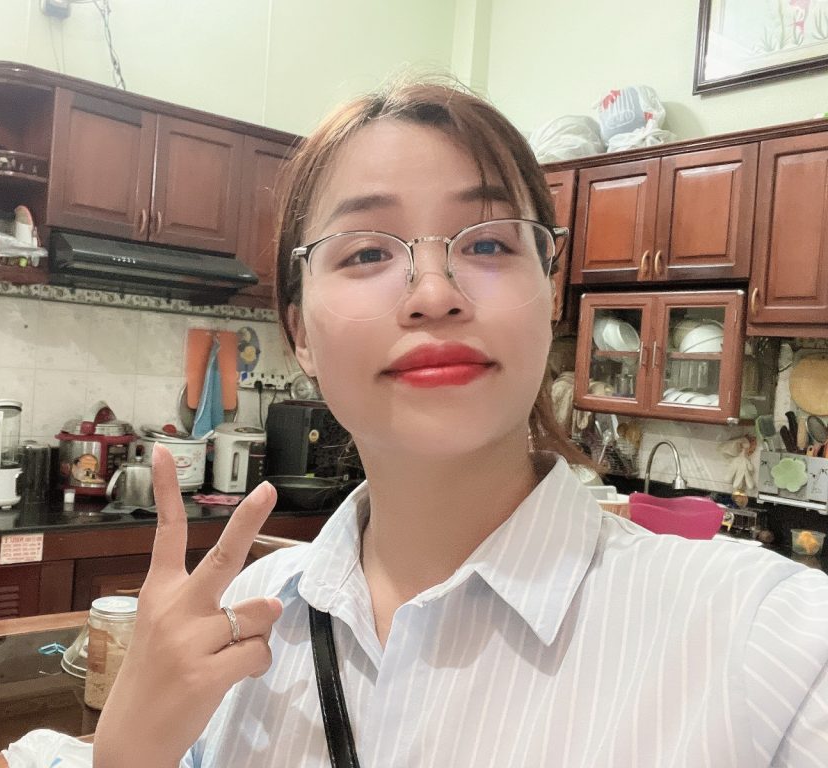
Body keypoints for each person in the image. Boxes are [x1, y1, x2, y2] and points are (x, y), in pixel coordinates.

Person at [94, 78, 828, 767]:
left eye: (487, 244)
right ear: (300, 334)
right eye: (367, 251)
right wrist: (128, 750)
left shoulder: (770, 644)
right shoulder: (237, 625)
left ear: (549, 294)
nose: (434, 293)